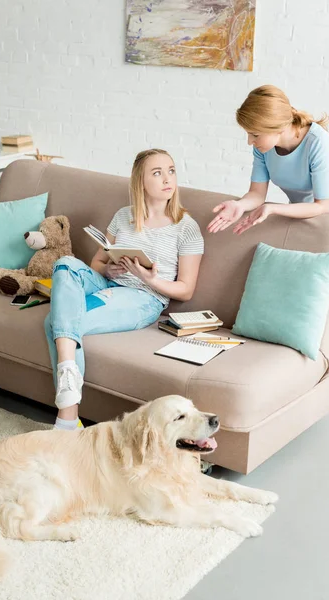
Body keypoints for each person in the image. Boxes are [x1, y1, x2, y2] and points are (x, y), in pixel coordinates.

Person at [44, 149, 204, 431]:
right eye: (157, 173)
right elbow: (97, 262)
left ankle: (67, 420)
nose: (168, 179)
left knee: (53, 322)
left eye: (171, 170)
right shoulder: (123, 216)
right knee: (65, 263)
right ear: (140, 182)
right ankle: (68, 380)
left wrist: (149, 278)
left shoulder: (186, 228)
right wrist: (109, 269)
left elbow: (186, 290)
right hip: (108, 283)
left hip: (144, 298)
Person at [208, 85, 329, 235]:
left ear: (276, 127)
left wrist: (273, 208)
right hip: (302, 216)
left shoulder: (318, 142)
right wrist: (239, 205)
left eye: (255, 134)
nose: (250, 141)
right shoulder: (263, 148)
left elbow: (321, 205)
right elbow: (257, 194)